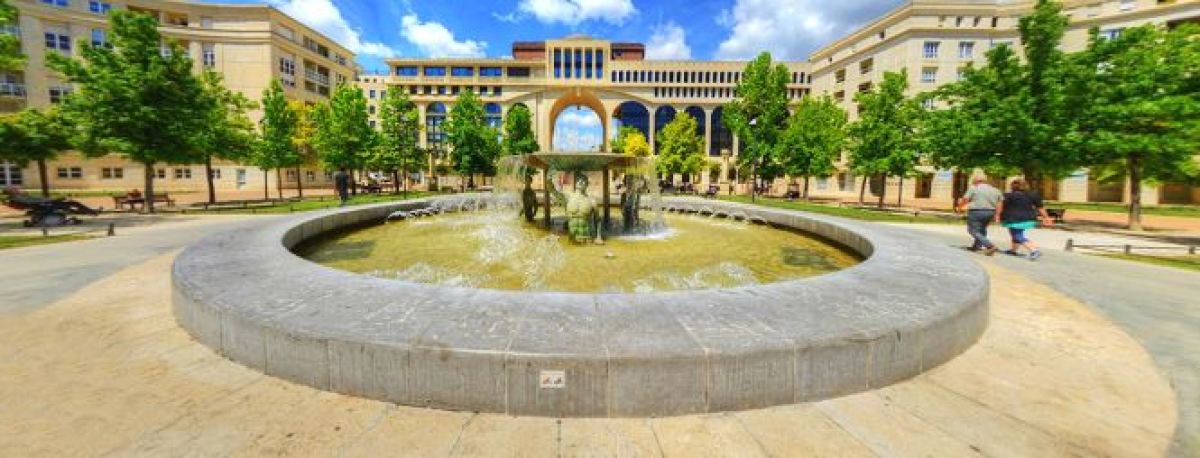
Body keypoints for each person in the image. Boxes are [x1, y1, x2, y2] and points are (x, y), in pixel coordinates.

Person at [995, 178, 1053, 260]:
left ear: (1013, 186)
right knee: (1016, 233)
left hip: (1013, 218)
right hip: (1028, 218)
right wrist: (1046, 217)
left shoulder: (1008, 195)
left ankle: (1034, 250)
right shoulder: (1033, 195)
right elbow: (1040, 207)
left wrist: (997, 215)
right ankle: (1013, 250)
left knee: (1017, 235)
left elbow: (1001, 206)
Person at [957, 176, 1003, 255]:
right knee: (982, 229)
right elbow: (1000, 204)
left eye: (973, 182)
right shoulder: (996, 190)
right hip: (990, 212)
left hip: (976, 211)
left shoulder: (974, 188)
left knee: (972, 230)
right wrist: (997, 215)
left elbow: (965, 199)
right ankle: (977, 246)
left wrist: (960, 207)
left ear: (976, 181)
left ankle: (990, 246)